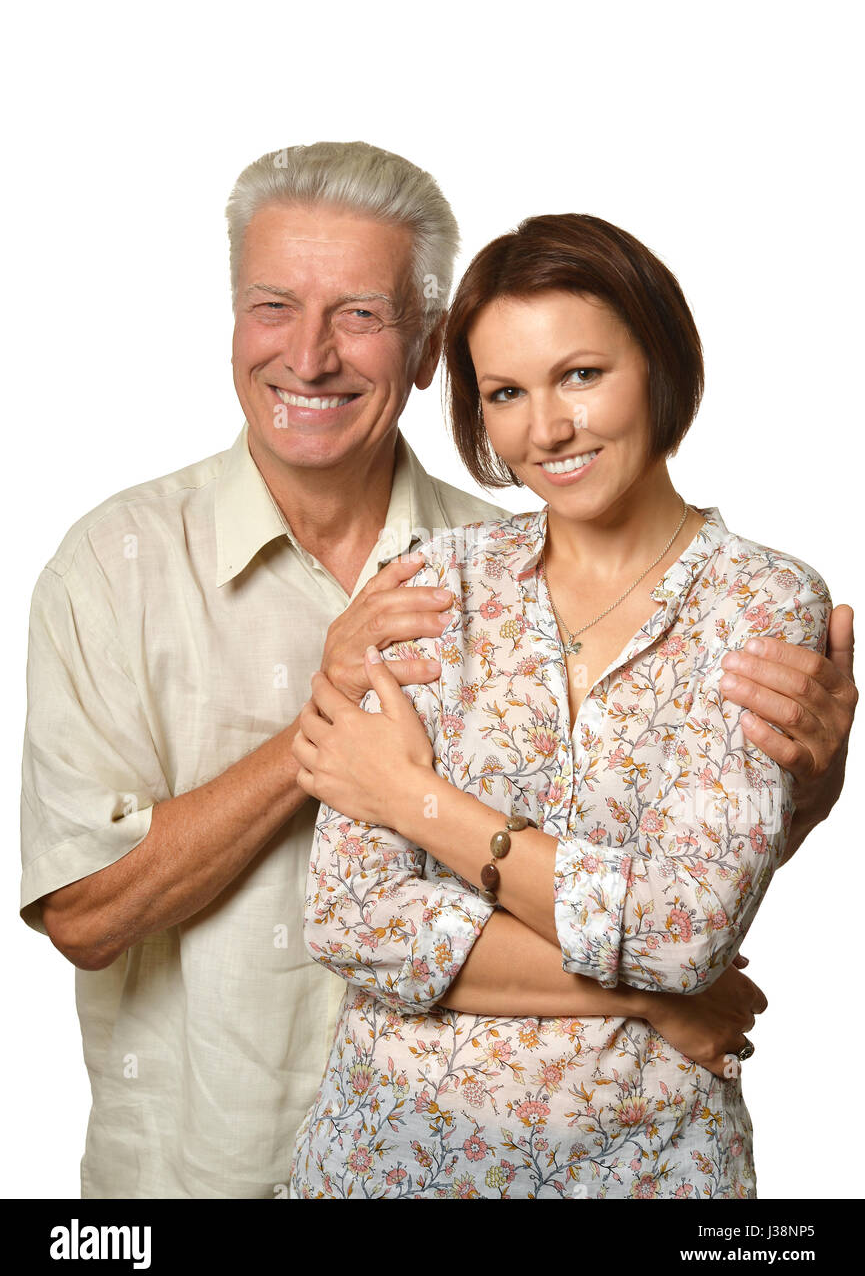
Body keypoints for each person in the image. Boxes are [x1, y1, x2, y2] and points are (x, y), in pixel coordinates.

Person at [19, 147, 855, 1200]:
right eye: (273, 304)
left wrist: (800, 793)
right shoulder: (114, 564)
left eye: (360, 314)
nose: (310, 355)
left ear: (423, 355)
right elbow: (97, 914)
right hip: (214, 1170)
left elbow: (677, 902)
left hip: (601, 1162)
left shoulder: (509, 560)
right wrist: (637, 991)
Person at [288, 213, 841, 1199]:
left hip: (643, 1172)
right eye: (506, 393)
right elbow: (351, 916)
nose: (546, 429)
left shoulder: (760, 604)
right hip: (388, 1162)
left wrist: (415, 800)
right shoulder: (428, 584)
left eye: (580, 375)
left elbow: (688, 928)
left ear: (660, 363)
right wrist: (648, 997)